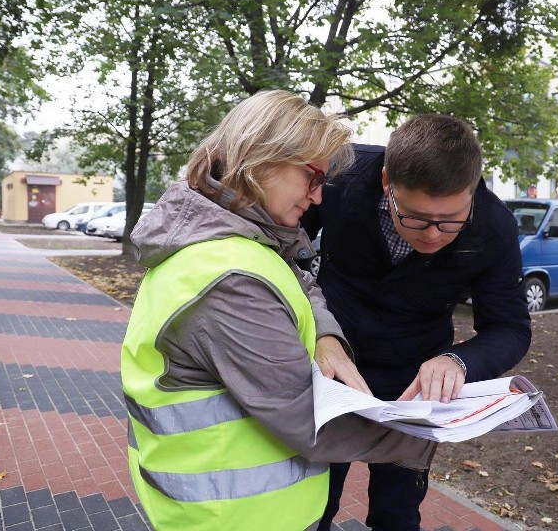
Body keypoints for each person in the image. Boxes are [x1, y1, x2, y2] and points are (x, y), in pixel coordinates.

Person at [120, 90, 435, 531]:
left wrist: (326, 337)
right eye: (311, 177)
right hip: (232, 517)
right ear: (262, 157)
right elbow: (304, 417)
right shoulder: (230, 279)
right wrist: (431, 433)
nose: (318, 197)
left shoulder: (239, 241)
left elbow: (301, 283)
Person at [301, 113, 532, 530]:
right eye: (416, 217)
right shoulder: (340, 178)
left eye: (451, 220)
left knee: (398, 513)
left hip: (413, 385)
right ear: (388, 182)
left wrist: (458, 361)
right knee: (312, 507)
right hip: (331, 366)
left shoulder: (494, 226)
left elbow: (510, 327)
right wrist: (319, 329)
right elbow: (284, 255)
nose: (432, 236)